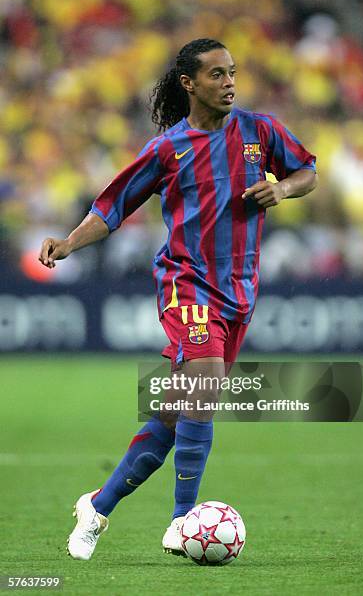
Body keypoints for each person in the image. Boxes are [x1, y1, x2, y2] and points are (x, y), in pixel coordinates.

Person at [39, 38, 317, 561]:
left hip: (240, 291)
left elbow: (307, 172)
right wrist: (68, 242)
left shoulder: (261, 131)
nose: (229, 82)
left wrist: (283, 190)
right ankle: (182, 521)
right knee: (206, 382)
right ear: (189, 83)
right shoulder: (169, 148)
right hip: (185, 284)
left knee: (175, 416)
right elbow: (111, 207)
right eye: (216, 75)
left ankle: (97, 507)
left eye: (233, 72)